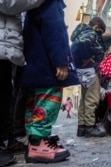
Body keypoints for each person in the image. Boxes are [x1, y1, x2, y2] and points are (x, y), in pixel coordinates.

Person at [15, 0, 79, 163]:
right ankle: (38, 143)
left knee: (33, 105)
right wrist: (61, 60)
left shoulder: (34, 4)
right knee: (48, 103)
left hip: (34, 66)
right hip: (47, 67)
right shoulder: (50, 3)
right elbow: (54, 30)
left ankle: (35, 141)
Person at [0, 0, 45, 166]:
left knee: (6, 95)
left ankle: (7, 140)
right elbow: (7, 3)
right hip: (3, 44)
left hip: (6, 46)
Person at [71, 17, 107, 138]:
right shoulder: (92, 33)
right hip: (91, 70)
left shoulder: (79, 33)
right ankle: (90, 127)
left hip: (81, 70)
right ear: (97, 27)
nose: (100, 34)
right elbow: (92, 47)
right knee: (92, 99)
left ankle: (81, 127)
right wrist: (93, 61)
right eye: (101, 31)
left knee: (84, 98)